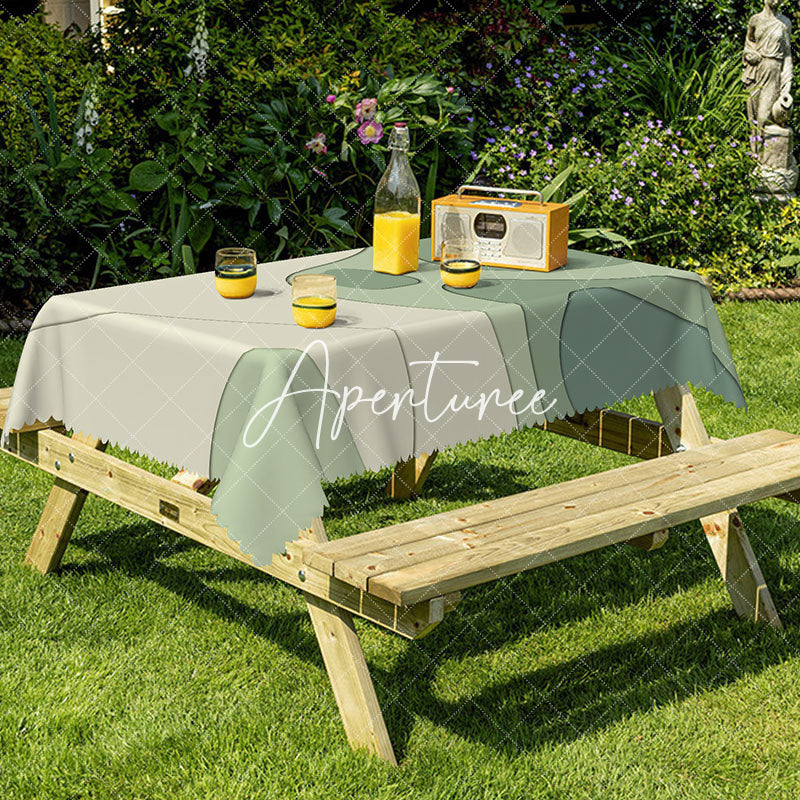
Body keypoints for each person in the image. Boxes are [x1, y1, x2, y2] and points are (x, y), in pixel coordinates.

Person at [742, 0, 793, 154]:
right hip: (755, 71)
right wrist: (749, 54)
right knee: (753, 118)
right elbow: (748, 44)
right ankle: (756, 159)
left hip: (773, 72)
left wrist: (787, 83)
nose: (777, 0)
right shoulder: (755, 20)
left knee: (764, 118)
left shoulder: (784, 23)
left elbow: (787, 55)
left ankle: (767, 157)